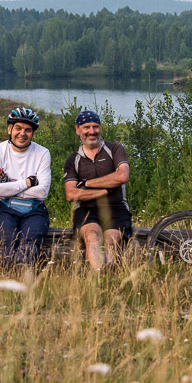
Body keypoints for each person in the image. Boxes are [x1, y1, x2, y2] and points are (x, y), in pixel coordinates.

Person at [63, 110, 131, 271]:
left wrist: (87, 184)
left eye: (96, 127)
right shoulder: (73, 160)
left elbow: (122, 176)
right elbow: (71, 194)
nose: (92, 131)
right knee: (92, 237)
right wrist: (105, 190)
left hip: (117, 208)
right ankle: (99, 277)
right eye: (86, 127)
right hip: (86, 210)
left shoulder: (115, 149)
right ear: (77, 129)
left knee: (111, 240)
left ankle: (109, 278)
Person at [0, 107, 51, 268]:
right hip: (5, 208)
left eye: (28, 130)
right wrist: (27, 183)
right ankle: (9, 288)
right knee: (6, 246)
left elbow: (42, 191)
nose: (22, 133)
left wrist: (10, 186)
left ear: (33, 133)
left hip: (35, 209)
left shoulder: (42, 153)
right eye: (18, 128)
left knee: (29, 247)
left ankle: (25, 287)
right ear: (10, 129)